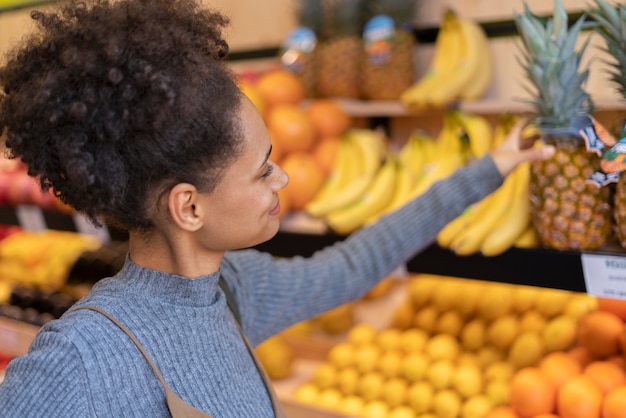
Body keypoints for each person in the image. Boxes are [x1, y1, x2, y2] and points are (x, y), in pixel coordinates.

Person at [0, 0, 554, 416]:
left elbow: (357, 263)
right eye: (263, 169)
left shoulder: (233, 289)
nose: (283, 177)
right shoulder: (79, 360)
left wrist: (494, 166)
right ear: (188, 207)